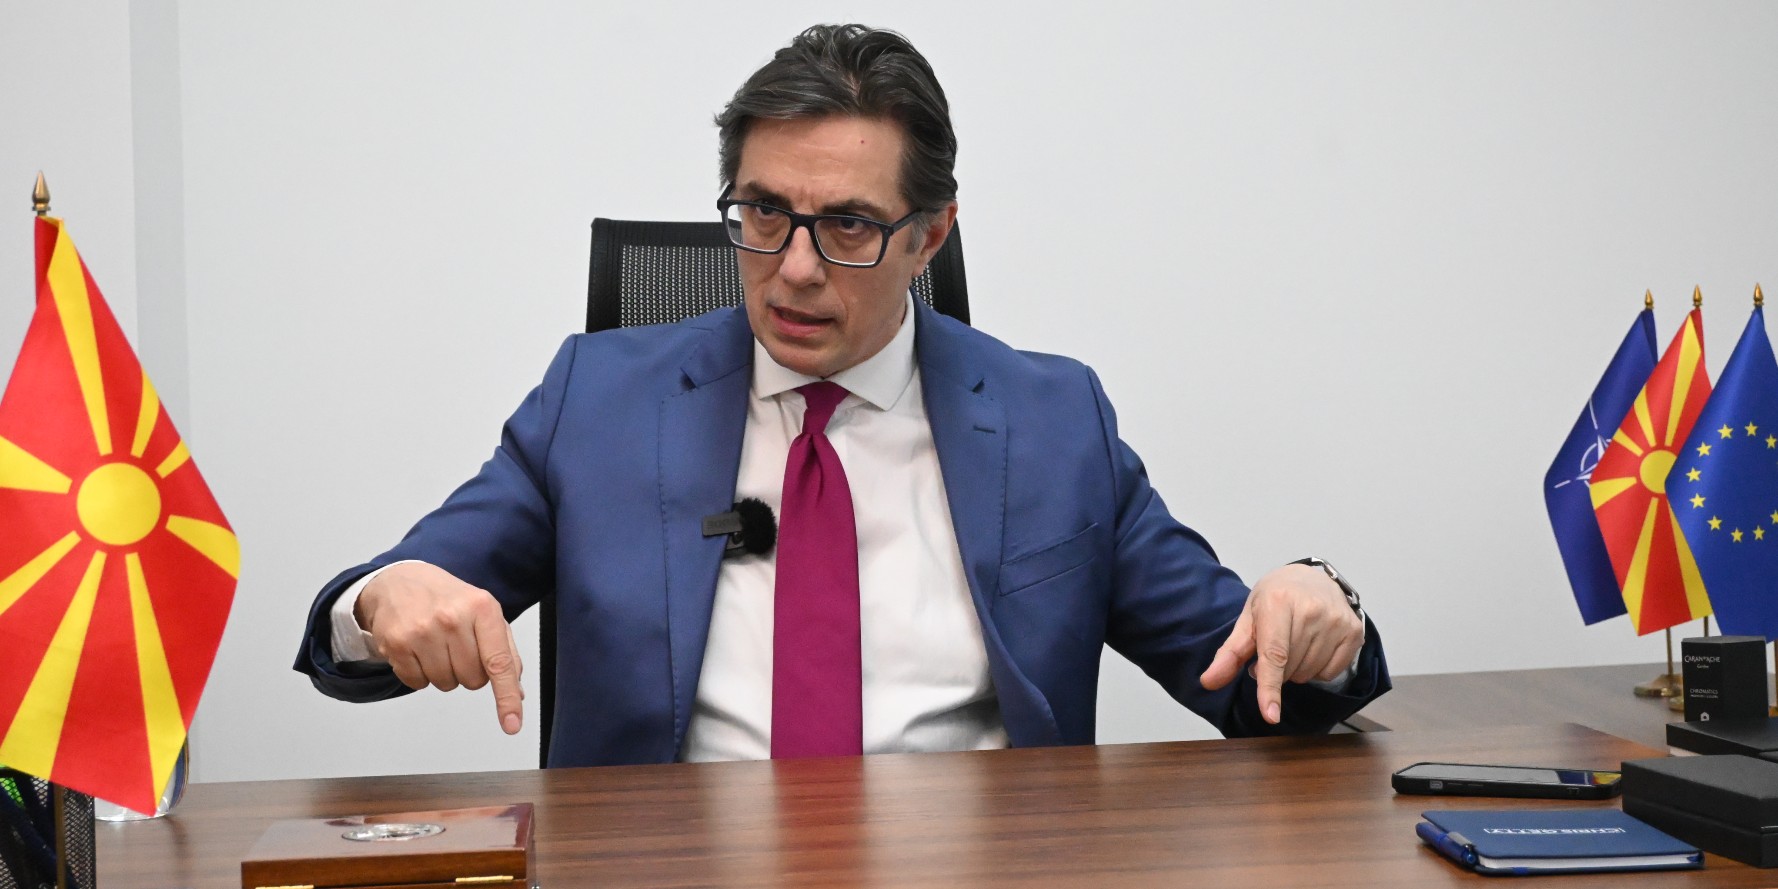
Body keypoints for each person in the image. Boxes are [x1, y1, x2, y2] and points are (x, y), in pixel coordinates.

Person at [295, 23, 1389, 766]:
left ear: (930, 236)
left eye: (850, 226)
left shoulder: (1053, 422)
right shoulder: (601, 400)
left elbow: (1249, 680)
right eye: (764, 213)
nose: (796, 269)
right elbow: (376, 614)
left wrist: (1315, 611)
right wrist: (383, 599)